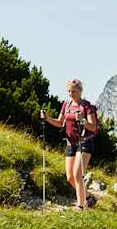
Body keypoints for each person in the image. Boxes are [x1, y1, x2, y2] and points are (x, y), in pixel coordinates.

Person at [40, 78, 96, 210]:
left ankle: (80, 205)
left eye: (74, 91)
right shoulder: (66, 104)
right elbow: (60, 123)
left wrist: (82, 121)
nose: (71, 94)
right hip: (70, 143)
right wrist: (47, 118)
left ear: (80, 91)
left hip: (84, 142)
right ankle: (89, 197)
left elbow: (93, 127)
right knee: (70, 177)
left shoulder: (86, 106)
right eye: (69, 91)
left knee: (77, 175)